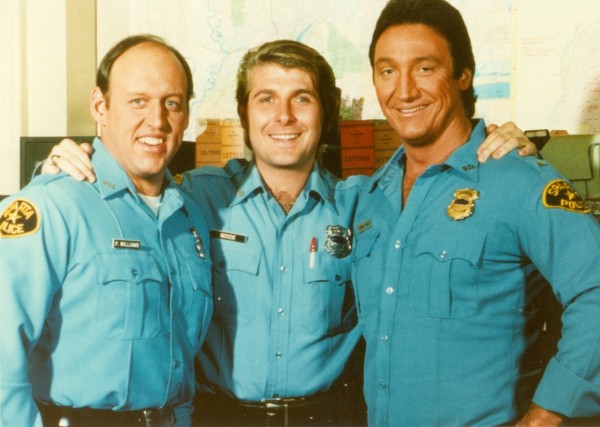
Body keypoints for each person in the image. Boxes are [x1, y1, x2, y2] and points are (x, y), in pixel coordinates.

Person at [39, 39, 536, 426]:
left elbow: (436, 179)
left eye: (302, 99)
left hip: (332, 417)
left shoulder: (368, 205)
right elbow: (129, 179)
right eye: (266, 99)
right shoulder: (194, 199)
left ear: (327, 113)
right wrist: (62, 163)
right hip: (219, 419)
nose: (283, 117)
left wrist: (500, 147)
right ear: (244, 113)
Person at [351, 0, 600, 425]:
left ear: (464, 74)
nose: (404, 90)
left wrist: (548, 413)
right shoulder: (370, 197)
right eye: (387, 70)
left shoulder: (518, 180)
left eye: (425, 68)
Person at [0, 34, 213, 427]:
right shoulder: (54, 205)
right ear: (100, 106)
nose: (157, 121)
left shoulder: (190, 219)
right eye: (138, 101)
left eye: (172, 103)